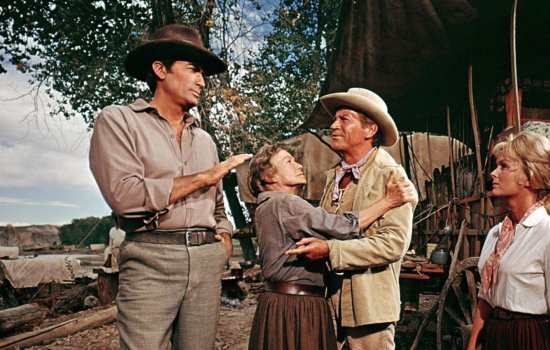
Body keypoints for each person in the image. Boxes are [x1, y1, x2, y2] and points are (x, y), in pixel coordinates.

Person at [89, 24, 252, 350]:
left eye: (203, 74)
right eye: (193, 70)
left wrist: (223, 239)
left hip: (207, 261)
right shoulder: (119, 121)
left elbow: (217, 205)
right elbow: (125, 197)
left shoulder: (204, 140)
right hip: (151, 258)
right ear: (160, 69)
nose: (202, 82)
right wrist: (203, 178)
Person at [247, 143, 414, 350]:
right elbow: (340, 226)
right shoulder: (285, 203)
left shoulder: (266, 206)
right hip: (296, 304)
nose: (299, 166)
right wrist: (388, 201)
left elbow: (391, 244)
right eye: (288, 161)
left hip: (278, 302)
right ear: (268, 176)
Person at [286, 88, 418, 349]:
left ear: (369, 130)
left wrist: (330, 251)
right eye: (334, 119)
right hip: (328, 301)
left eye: (344, 119)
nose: (333, 126)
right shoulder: (335, 175)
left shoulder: (390, 175)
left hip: (369, 307)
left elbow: (393, 244)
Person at [467, 131, 550, 350]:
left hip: (530, 338)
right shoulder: (496, 234)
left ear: (530, 176)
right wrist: (473, 346)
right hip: (495, 333)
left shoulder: (546, 233)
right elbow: (485, 299)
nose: (493, 173)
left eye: (504, 166)